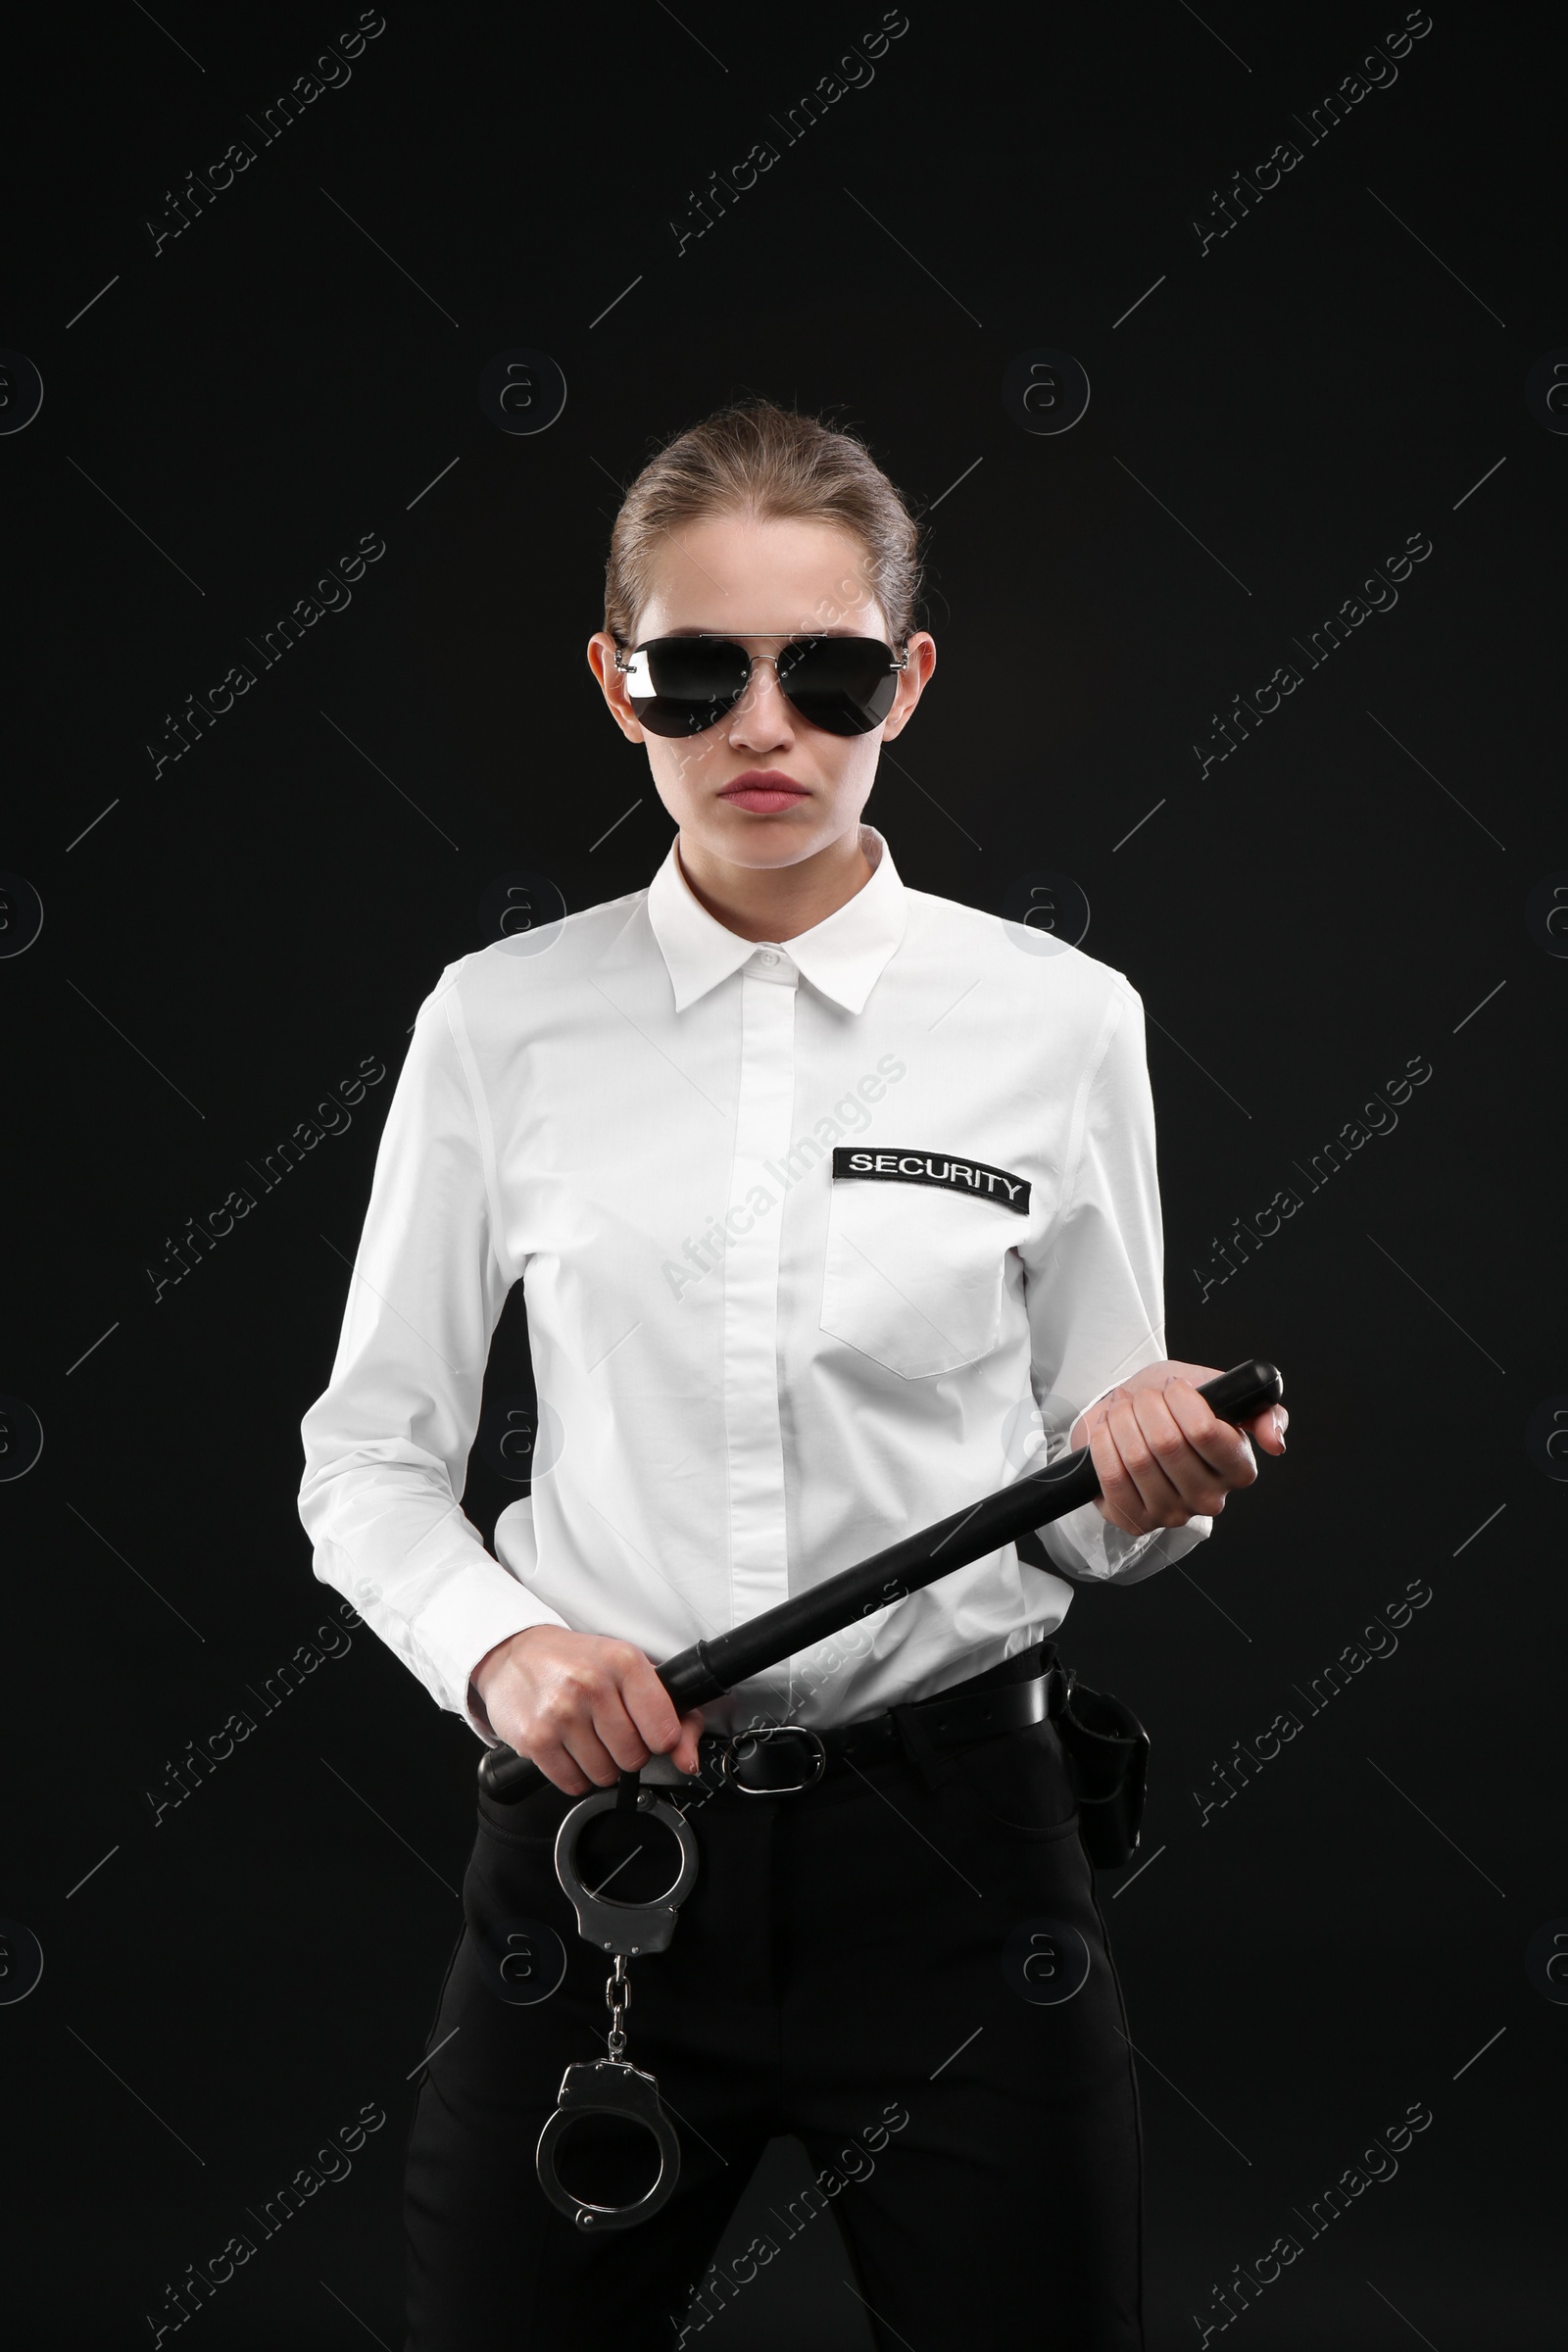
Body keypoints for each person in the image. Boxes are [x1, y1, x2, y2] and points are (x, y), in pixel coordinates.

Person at [296, 398, 1287, 2352]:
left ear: (903, 683)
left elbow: (1092, 1489)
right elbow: (368, 1456)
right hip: (599, 1871)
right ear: (614, 683)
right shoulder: (497, 1026)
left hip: (959, 1869)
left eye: (824, 672)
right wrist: (508, 1653)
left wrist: (1161, 1481)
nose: (765, 727)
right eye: (699, 670)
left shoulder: (1062, 1023)